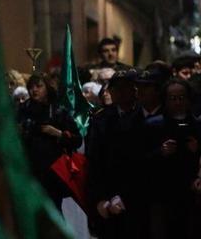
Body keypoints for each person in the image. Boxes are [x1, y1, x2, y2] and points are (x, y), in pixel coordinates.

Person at [85, 70, 146, 239]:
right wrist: (99, 199)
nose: (120, 92)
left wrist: (124, 196)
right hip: (106, 191)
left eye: (125, 88)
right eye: (116, 88)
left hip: (136, 195)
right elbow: (94, 162)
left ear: (135, 91)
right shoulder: (101, 118)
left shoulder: (144, 116)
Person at [142, 78, 201, 238]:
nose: (177, 102)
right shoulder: (152, 125)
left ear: (189, 99)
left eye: (181, 98)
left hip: (192, 195)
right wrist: (160, 152)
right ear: (165, 101)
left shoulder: (197, 125)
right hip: (162, 194)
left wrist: (197, 150)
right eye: (172, 98)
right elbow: (139, 160)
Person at [17, 74, 82, 207]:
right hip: (30, 171)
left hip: (53, 173)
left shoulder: (58, 111)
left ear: (47, 88)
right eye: (31, 87)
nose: (34, 90)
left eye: (39, 86)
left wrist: (57, 133)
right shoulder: (23, 110)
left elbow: (77, 140)